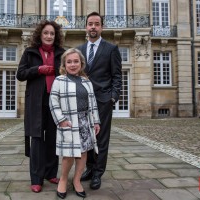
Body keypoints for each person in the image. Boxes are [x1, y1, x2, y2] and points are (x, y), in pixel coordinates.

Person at [16, 20, 65, 193]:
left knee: (53, 138)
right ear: (40, 34)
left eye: (52, 33)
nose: (49, 36)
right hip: (36, 102)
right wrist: (38, 69)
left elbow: (69, 72)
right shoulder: (30, 52)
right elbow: (20, 74)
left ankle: (51, 173)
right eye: (46, 33)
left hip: (56, 101)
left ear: (56, 36)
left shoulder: (62, 53)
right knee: (37, 139)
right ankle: (36, 179)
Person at [77, 11, 122, 190]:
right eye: (90, 23)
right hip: (83, 101)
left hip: (103, 101)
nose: (93, 27)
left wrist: (113, 97)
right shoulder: (79, 50)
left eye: (97, 23)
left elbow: (117, 76)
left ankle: (98, 173)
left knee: (101, 138)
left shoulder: (111, 49)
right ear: (86, 26)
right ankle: (89, 168)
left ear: (101, 27)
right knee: (86, 137)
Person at [49, 48, 100, 199]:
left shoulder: (87, 81)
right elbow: (53, 102)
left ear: (81, 63)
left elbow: (93, 104)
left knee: (83, 153)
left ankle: (77, 181)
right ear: (64, 64)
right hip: (69, 123)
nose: (72, 64)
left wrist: (96, 121)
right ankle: (63, 180)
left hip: (85, 122)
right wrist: (61, 120)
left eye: (76, 61)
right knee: (68, 155)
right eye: (69, 62)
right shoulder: (59, 80)